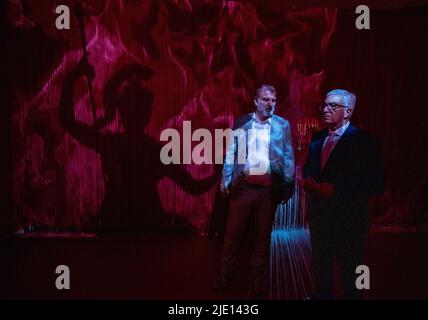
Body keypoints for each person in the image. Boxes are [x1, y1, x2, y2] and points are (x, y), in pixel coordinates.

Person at [303, 89, 386, 299]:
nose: (326, 110)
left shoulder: (365, 141)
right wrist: (309, 181)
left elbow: (377, 184)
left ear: (348, 112)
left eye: (333, 106)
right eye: (325, 105)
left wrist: (337, 190)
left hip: (350, 219)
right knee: (321, 264)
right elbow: (310, 169)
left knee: (353, 266)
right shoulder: (317, 137)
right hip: (320, 217)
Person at [213, 84, 295, 298]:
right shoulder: (242, 122)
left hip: (267, 191)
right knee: (232, 235)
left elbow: (288, 156)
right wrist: (225, 178)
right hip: (242, 188)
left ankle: (259, 277)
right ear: (256, 101)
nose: (270, 104)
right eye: (266, 100)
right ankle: (226, 272)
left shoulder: (282, 125)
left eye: (273, 100)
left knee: (262, 236)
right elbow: (232, 152)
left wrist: (288, 184)